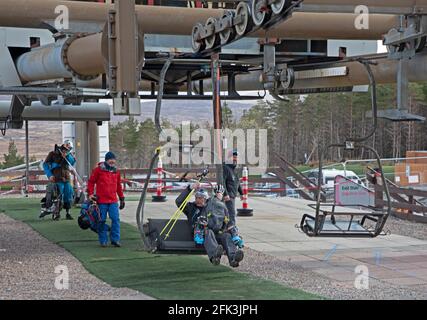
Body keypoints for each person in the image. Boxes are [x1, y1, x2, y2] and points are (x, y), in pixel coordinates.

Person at [175, 183, 244, 267]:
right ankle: (215, 257)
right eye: (196, 197)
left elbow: (224, 217)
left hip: (216, 233)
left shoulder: (212, 205)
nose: (197, 200)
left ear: (205, 199)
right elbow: (178, 201)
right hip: (200, 234)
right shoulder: (191, 208)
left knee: (226, 236)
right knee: (208, 232)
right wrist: (189, 188)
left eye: (200, 198)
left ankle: (233, 259)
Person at [87, 151, 125, 247]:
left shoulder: (116, 172)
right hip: (101, 201)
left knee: (115, 219)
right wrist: (90, 194)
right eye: (110, 159)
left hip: (113, 201)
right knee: (101, 220)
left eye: (113, 159)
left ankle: (115, 239)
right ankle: (103, 240)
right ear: (106, 160)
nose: (112, 161)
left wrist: (122, 198)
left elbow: (118, 186)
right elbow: (91, 182)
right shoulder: (98, 170)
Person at [42, 140, 76, 220]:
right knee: (57, 196)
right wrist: (49, 175)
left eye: (69, 148)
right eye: (67, 147)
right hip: (56, 179)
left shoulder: (69, 155)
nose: (68, 149)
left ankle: (68, 213)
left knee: (68, 195)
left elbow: (72, 162)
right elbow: (45, 165)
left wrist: (67, 156)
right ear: (63, 145)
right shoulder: (53, 154)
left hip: (66, 179)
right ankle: (56, 213)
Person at [223, 149, 243, 225]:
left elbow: (237, 182)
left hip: (232, 196)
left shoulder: (234, 169)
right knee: (231, 215)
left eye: (236, 157)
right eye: (233, 157)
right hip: (228, 196)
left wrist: (241, 193)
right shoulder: (225, 168)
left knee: (229, 214)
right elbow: (222, 182)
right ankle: (233, 232)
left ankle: (228, 230)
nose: (235, 159)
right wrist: (225, 194)